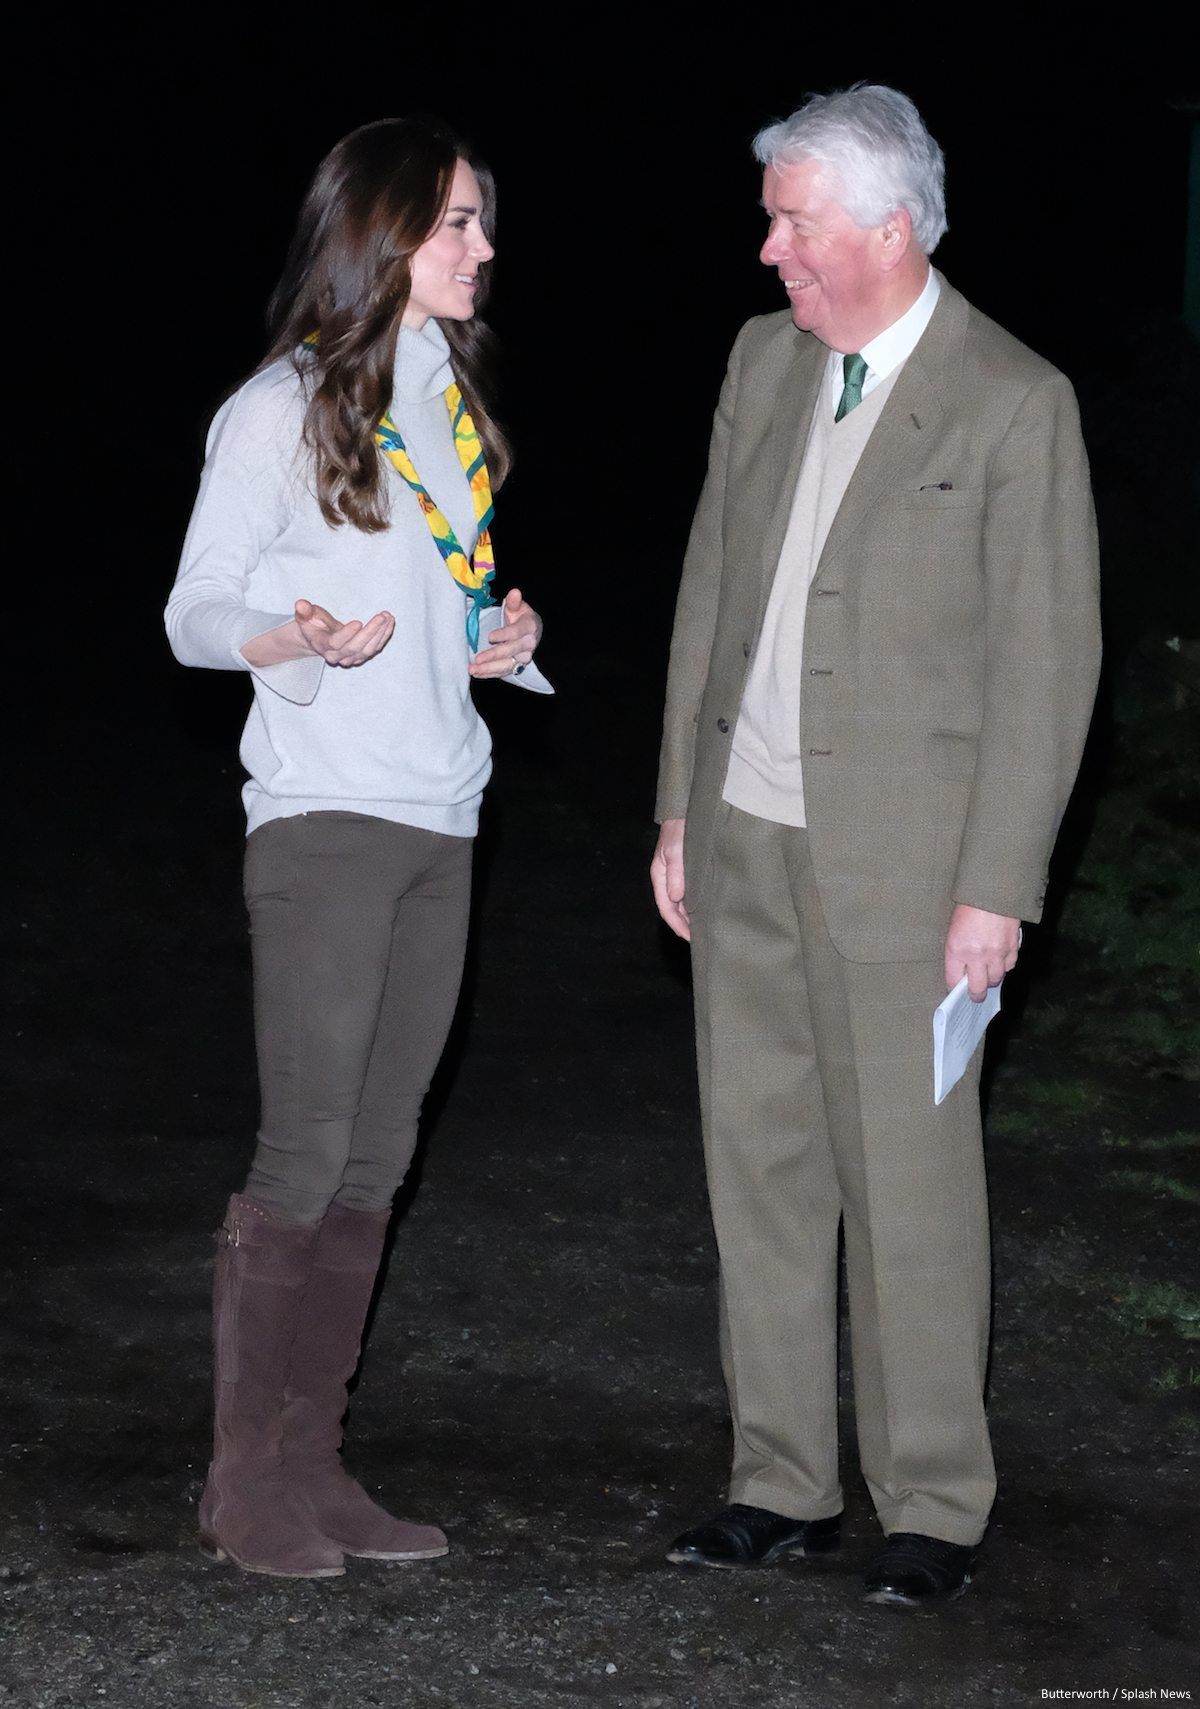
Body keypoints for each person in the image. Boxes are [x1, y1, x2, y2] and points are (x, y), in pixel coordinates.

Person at [650, 86, 1100, 1607]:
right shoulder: (763, 363)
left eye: (794, 221)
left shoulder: (1011, 400)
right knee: (757, 1170)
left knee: (910, 1185)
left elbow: (1049, 666)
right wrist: (673, 808)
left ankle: (935, 1498)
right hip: (746, 831)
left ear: (889, 231)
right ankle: (779, 1478)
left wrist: (999, 884)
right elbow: (710, 587)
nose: (768, 247)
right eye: (774, 217)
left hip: (911, 865)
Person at [166, 117, 551, 1579]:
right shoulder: (281, 409)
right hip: (325, 813)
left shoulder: (450, 402)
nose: (482, 248)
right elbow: (193, 610)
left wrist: (499, 641)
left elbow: (449, 601)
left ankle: (316, 1464)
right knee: (307, 1147)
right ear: (383, 236)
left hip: (445, 810)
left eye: (481, 222)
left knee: (381, 1157)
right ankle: (244, 1480)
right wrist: (291, 636)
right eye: (457, 223)